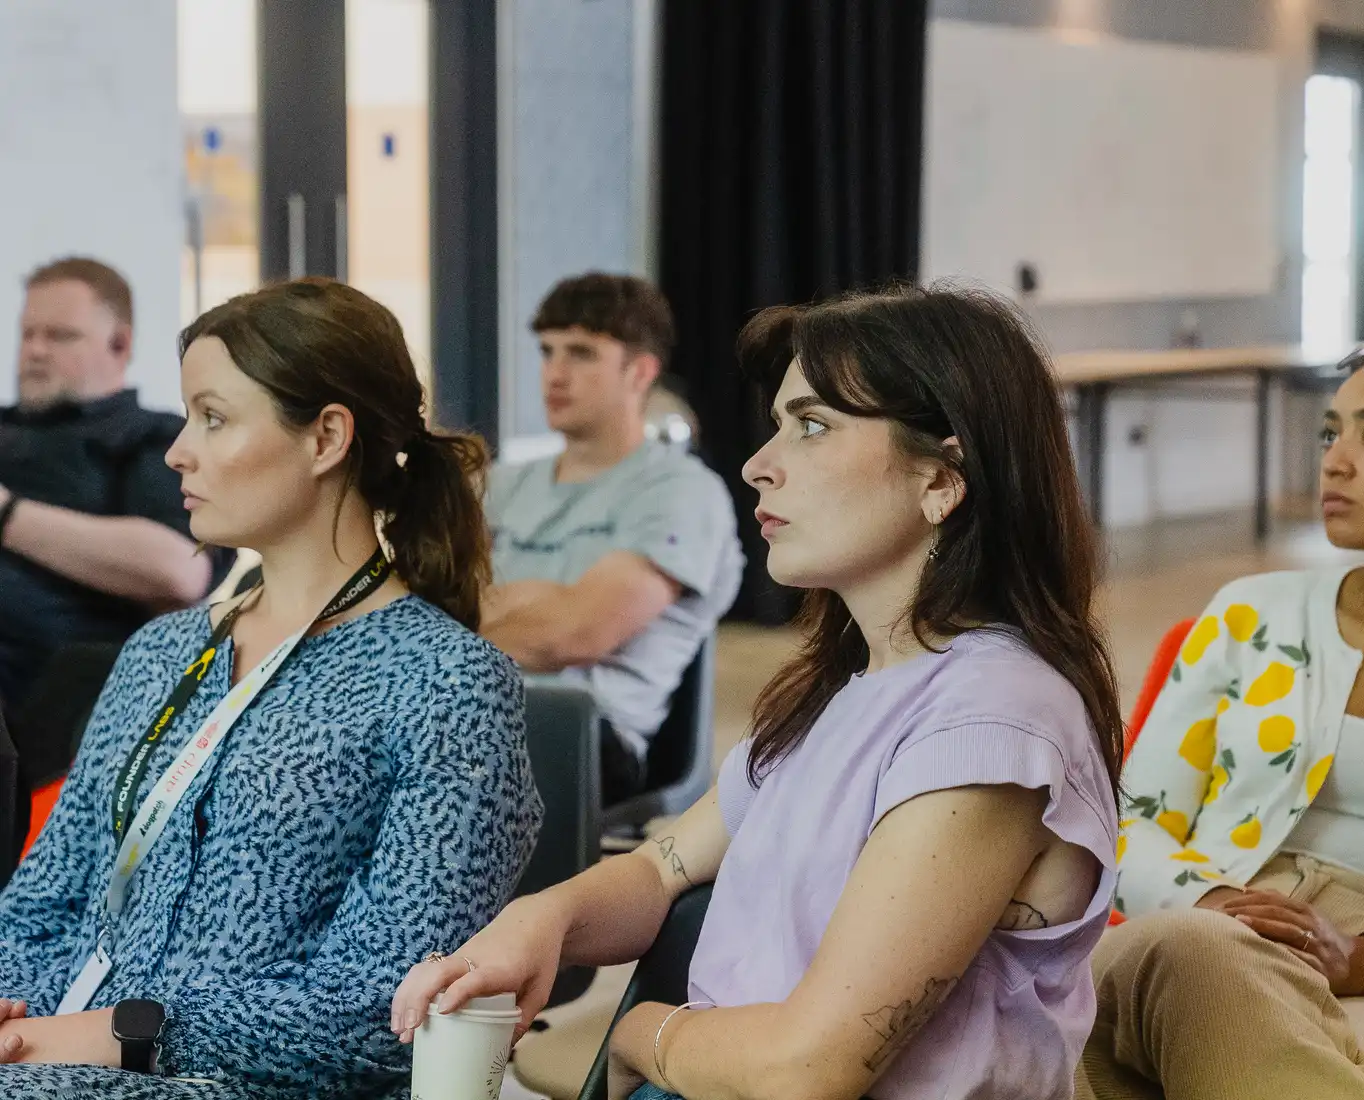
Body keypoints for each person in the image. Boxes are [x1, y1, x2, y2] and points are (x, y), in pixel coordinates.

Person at [394, 283, 1124, 1100]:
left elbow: (809, 1067)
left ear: (941, 480)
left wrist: (637, 1034)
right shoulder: (841, 690)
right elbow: (662, 867)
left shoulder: (992, 718)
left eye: (811, 426)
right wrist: (543, 920)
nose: (757, 465)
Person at [0, 278, 541, 1098]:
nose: (178, 451)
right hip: (56, 1061)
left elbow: (378, 1015)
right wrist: (15, 1017)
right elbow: (42, 900)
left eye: (213, 418)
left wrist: (110, 1036)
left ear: (326, 438)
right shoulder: (161, 652)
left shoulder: (448, 684)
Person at [1076, 354, 1364, 1100]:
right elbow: (1127, 821)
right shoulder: (1252, 614)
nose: (1336, 460)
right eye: (1331, 432)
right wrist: (1205, 904)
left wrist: (1356, 959)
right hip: (1196, 923)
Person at [482, 273, 743, 805]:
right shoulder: (502, 483)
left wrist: (465, 619)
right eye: (547, 351)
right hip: (476, 706)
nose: (555, 374)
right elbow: (424, 604)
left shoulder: (680, 491)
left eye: (581, 354)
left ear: (640, 372)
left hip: (583, 735)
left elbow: (572, 635)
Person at [0, 259, 226, 751]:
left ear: (119, 344)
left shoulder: (155, 439)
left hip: (51, 700)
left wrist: (7, 515)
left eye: (59, 335)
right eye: (27, 333)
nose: (34, 350)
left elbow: (179, 569)